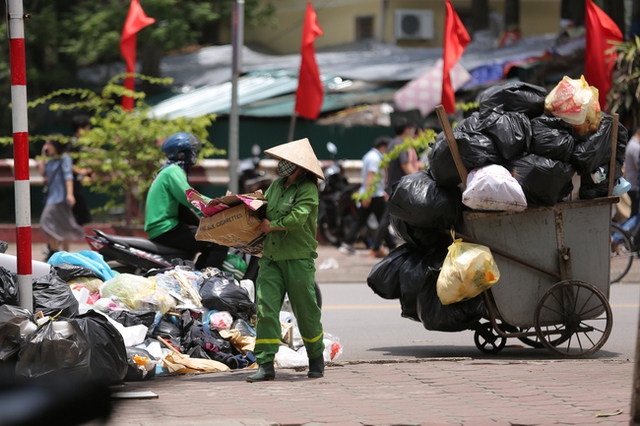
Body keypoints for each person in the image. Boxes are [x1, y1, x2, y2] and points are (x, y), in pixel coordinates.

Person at [247, 138, 325, 382]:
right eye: (281, 161)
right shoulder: (276, 185)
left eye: (286, 162)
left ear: (299, 166)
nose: (281, 165)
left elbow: (298, 218)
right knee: (266, 309)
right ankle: (266, 363)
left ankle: (315, 358)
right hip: (270, 257)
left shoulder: (307, 189)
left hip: (298, 258)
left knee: (306, 311)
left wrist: (273, 226)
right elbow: (265, 206)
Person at [144, 132, 228, 269]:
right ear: (180, 154)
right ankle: (209, 282)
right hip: (166, 228)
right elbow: (189, 198)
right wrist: (220, 204)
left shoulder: (166, 171)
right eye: (192, 151)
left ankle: (200, 277)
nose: (195, 154)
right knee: (220, 240)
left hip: (164, 227)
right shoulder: (172, 171)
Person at [339, 136, 395, 258]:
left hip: (371, 193)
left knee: (362, 220)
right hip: (374, 194)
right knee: (383, 221)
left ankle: (348, 243)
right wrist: (369, 195)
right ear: (383, 147)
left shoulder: (369, 155)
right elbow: (371, 176)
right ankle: (391, 245)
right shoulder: (375, 158)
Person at [370, 117, 419, 256]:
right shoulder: (401, 144)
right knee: (392, 218)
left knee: (388, 218)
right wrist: (419, 179)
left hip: (393, 186)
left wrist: (387, 182)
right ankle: (376, 247)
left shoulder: (391, 144)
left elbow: (386, 166)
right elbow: (405, 165)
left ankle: (377, 246)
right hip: (402, 188)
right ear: (407, 130)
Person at [38, 136, 85, 259]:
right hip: (52, 197)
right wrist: (43, 155)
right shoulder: (51, 160)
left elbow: (68, 177)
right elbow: (43, 173)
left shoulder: (65, 158)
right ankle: (60, 253)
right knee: (61, 225)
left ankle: (57, 252)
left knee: (48, 222)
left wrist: (70, 194)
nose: (47, 147)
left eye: (49, 144)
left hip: (61, 198)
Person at [69, 115, 94, 226]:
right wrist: (81, 171)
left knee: (77, 215)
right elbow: (68, 164)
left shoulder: (78, 144)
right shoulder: (72, 144)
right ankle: (66, 230)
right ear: (80, 129)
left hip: (76, 184)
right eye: (87, 129)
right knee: (84, 216)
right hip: (71, 184)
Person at [624, 126, 640, 218]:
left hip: (631, 183)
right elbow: (638, 166)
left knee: (634, 212)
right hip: (635, 185)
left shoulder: (631, 144)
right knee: (635, 215)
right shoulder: (636, 147)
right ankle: (629, 231)